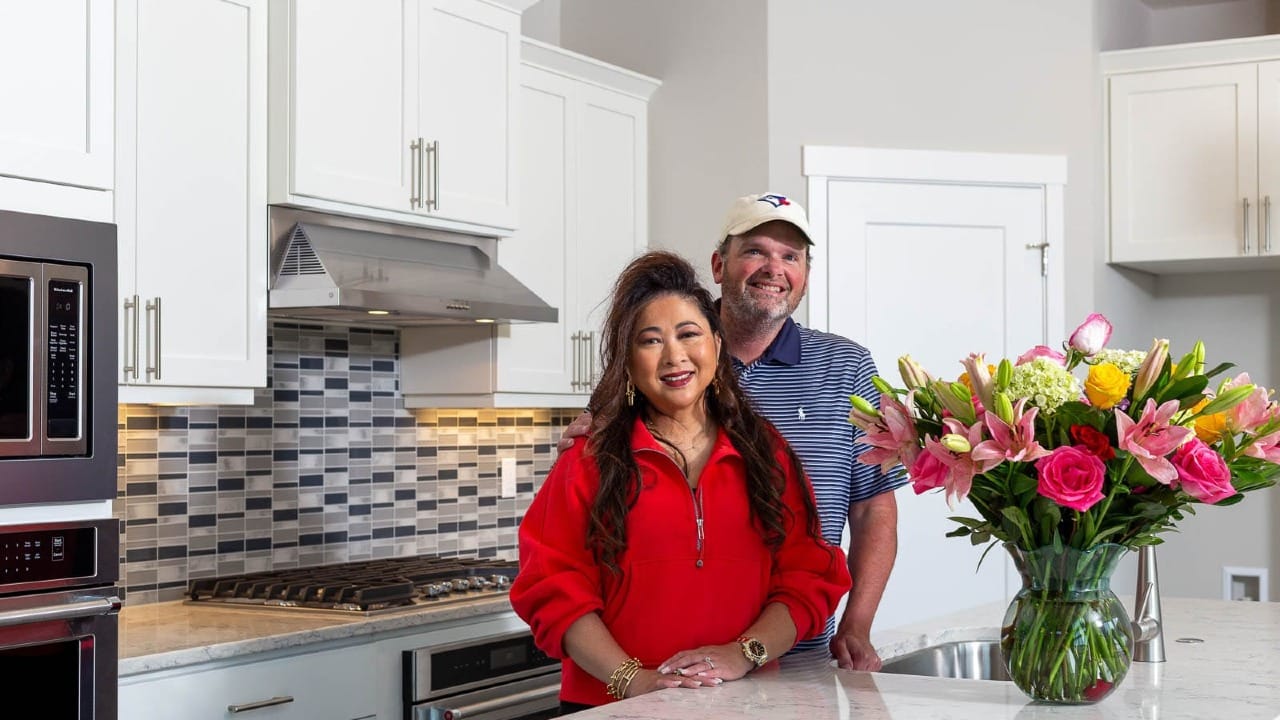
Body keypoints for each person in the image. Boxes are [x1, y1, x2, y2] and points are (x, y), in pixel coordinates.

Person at [558, 193, 907, 671]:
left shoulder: (847, 367)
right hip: (644, 666)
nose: (774, 267)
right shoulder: (674, 367)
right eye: (756, 251)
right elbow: (598, 468)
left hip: (797, 649)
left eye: (791, 256)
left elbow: (873, 507)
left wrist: (857, 624)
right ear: (719, 264)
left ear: (806, 273)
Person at [510, 251, 850, 712]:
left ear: (715, 342)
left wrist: (743, 654)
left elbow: (808, 576)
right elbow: (552, 588)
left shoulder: (767, 454)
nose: (674, 356)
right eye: (650, 341)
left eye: (688, 334)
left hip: (746, 703)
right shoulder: (589, 458)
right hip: (614, 708)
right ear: (629, 363)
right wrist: (632, 680)